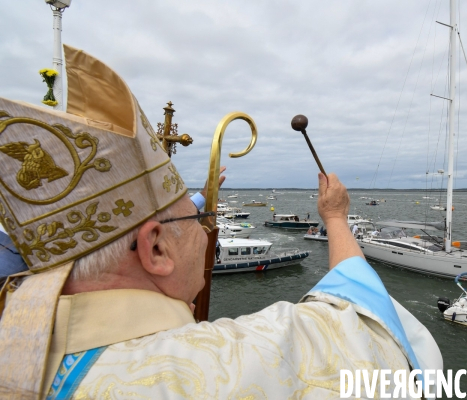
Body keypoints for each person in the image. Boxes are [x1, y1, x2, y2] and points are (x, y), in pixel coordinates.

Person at [0, 46, 441, 398]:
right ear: (155, 249)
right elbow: (368, 329)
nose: (205, 228)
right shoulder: (218, 372)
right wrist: (336, 218)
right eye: (197, 216)